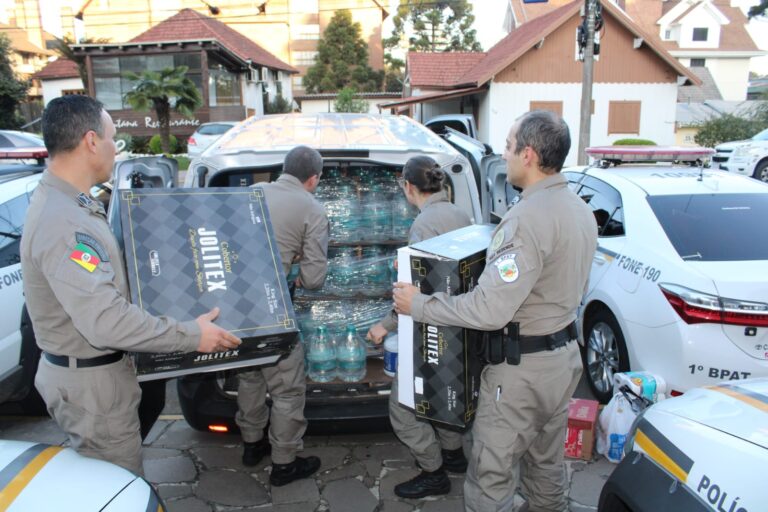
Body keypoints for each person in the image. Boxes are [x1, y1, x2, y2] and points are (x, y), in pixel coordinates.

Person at [21, 95, 241, 475]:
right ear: (91, 141)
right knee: (120, 488)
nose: (114, 150)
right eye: (112, 139)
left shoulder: (70, 204)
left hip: (95, 374)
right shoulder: (65, 224)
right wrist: (191, 336)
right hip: (94, 388)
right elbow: (105, 322)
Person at [393, 111, 598, 512]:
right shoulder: (579, 209)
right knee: (545, 465)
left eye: (507, 147)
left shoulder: (526, 220)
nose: (503, 156)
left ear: (528, 154)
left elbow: (490, 310)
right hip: (563, 361)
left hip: (522, 374)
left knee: (492, 475)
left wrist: (418, 305)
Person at [366, 155, 472, 499]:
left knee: (405, 406)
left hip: (432, 328)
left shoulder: (424, 226)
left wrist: (384, 326)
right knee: (446, 395)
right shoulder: (460, 213)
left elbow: (416, 294)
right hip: (458, 325)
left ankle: (433, 472)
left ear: (408, 187)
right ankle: (454, 456)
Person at [237, 145, 329, 487]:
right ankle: (285, 463)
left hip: (236, 308)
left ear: (284, 169)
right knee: (287, 388)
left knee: (250, 378)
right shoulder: (312, 209)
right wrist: (299, 272)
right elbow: (315, 279)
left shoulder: (252, 191)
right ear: (313, 178)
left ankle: (251, 444)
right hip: (273, 309)